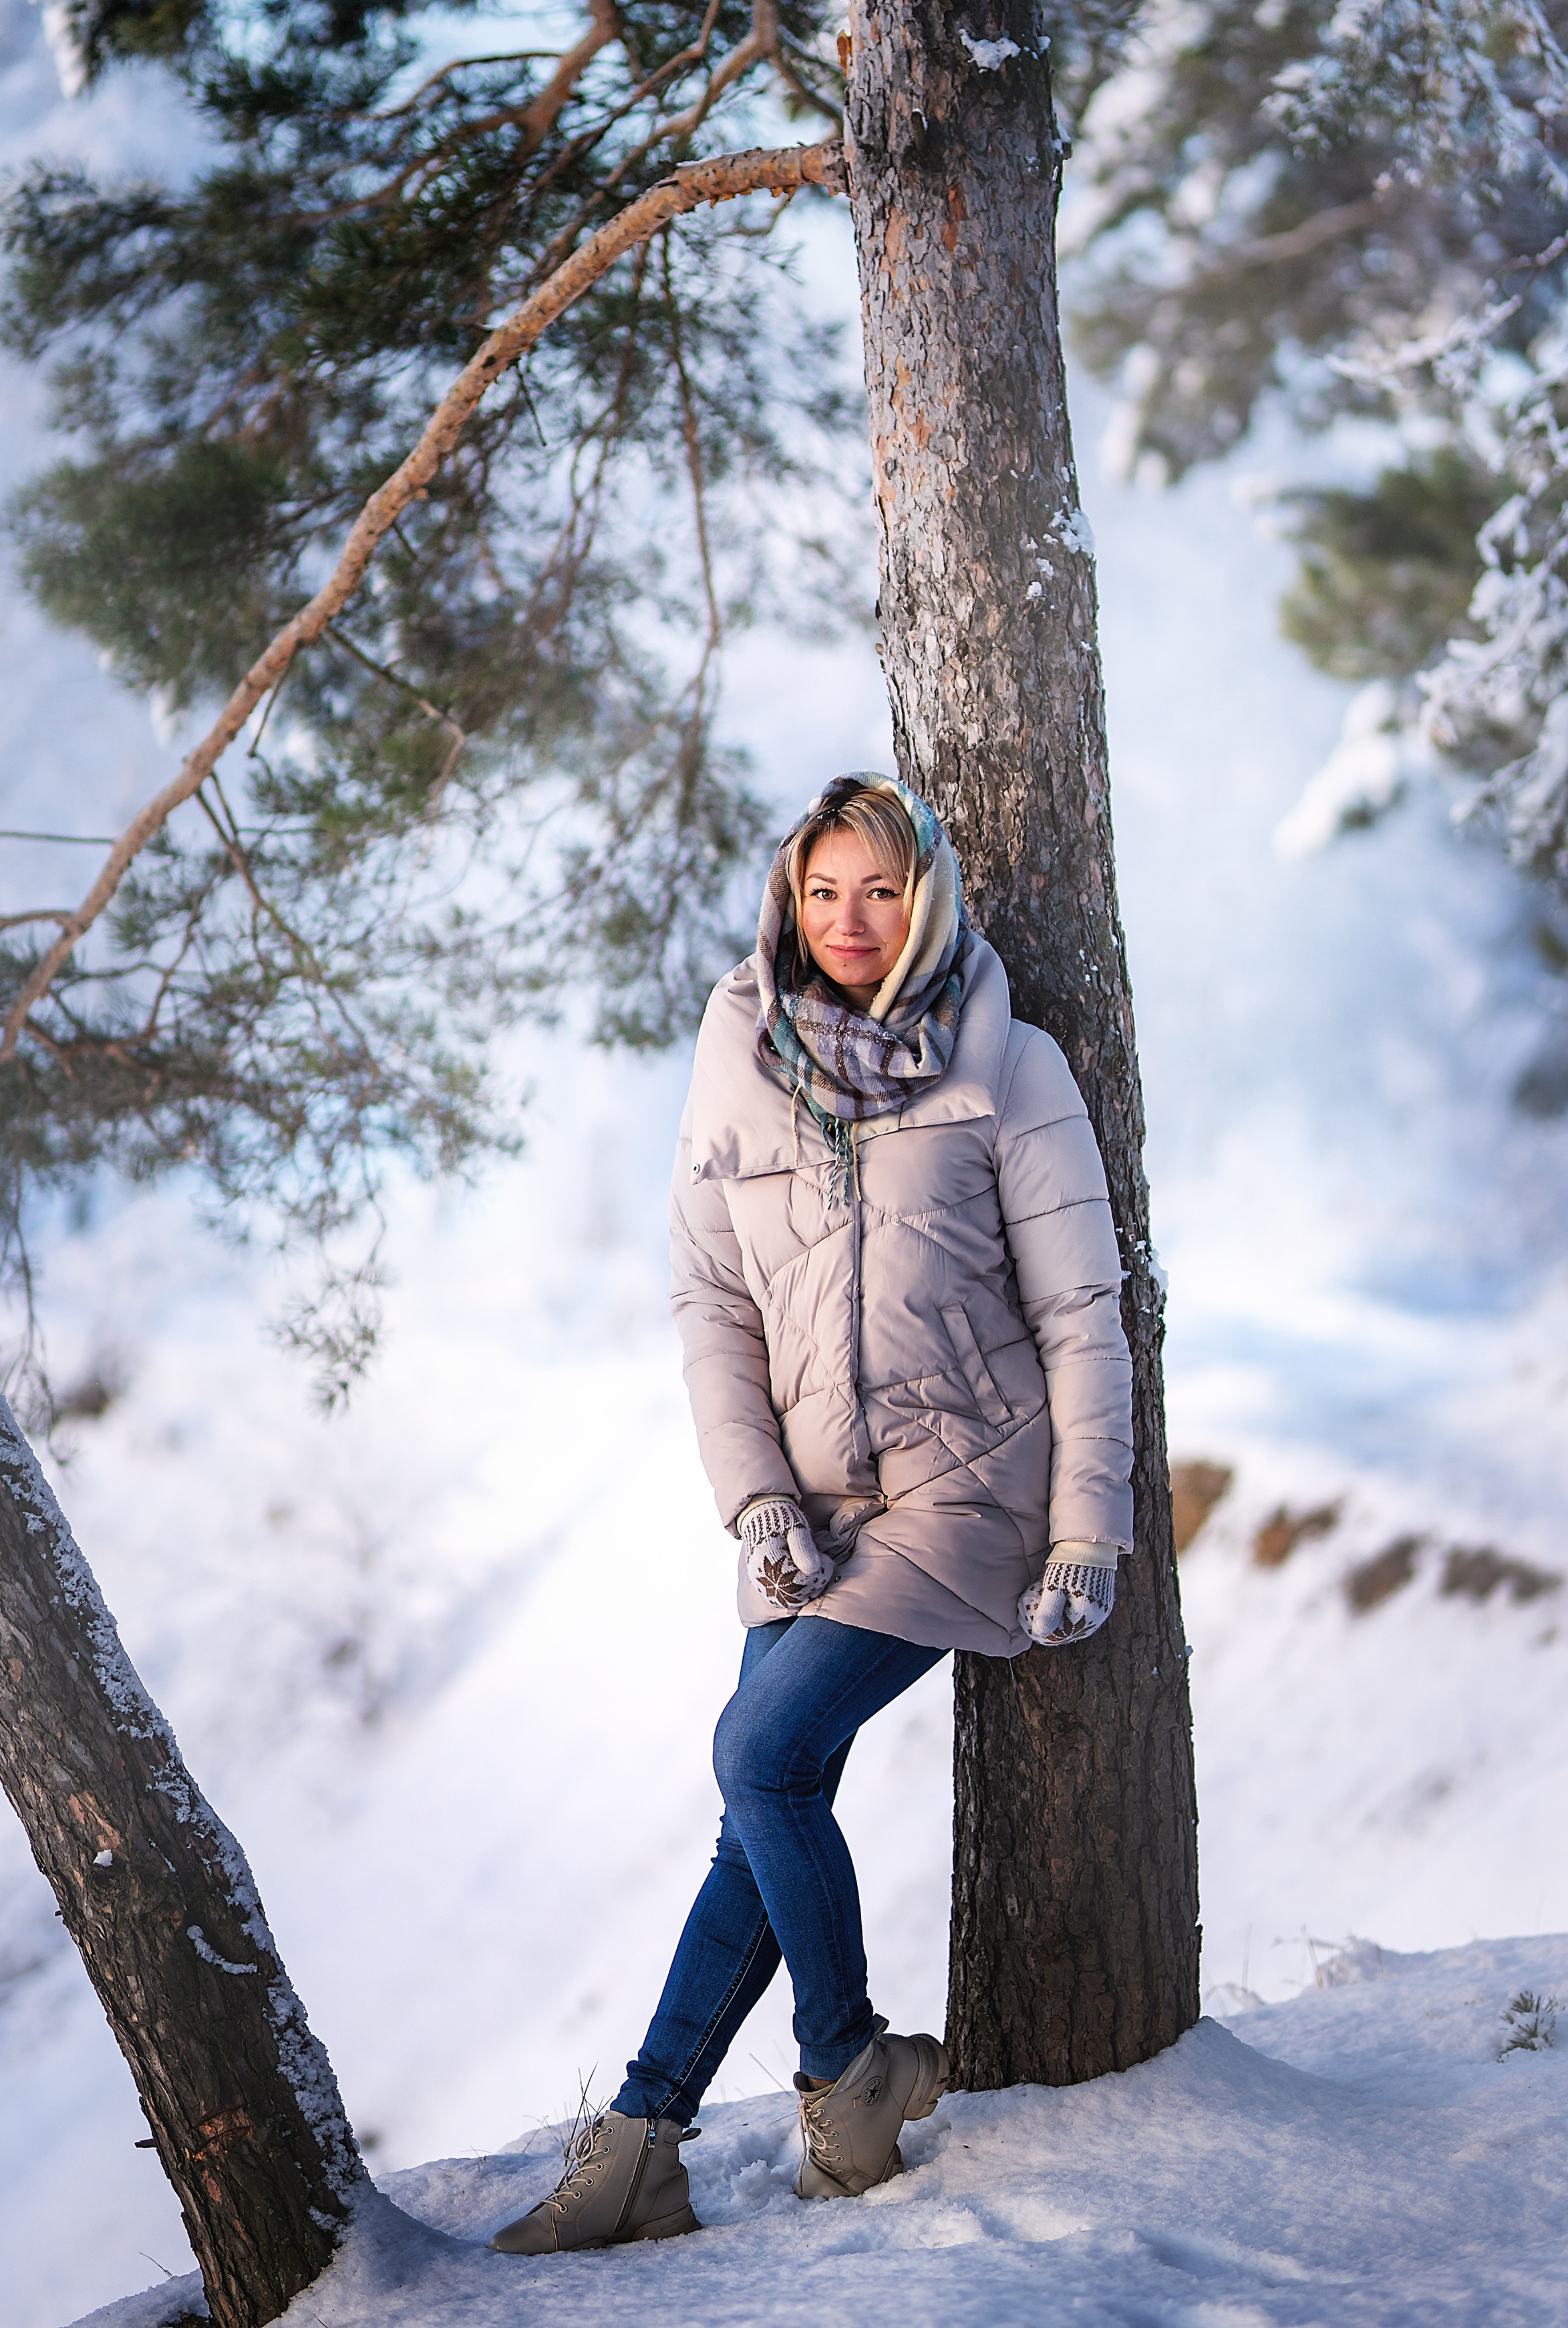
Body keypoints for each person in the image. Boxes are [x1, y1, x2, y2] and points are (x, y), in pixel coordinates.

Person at [490, 772, 1134, 2256]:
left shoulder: (1006, 1064)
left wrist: (1083, 1526)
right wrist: (753, 1498)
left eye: (881, 892)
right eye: (822, 892)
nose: (848, 922)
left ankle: (844, 2071)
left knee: (759, 1753)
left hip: (964, 1487)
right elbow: (709, 1301)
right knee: (755, 1818)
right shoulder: (736, 1065)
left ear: (930, 901)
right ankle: (645, 2139)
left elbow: (1080, 1313)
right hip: (809, 1505)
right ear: (788, 899)